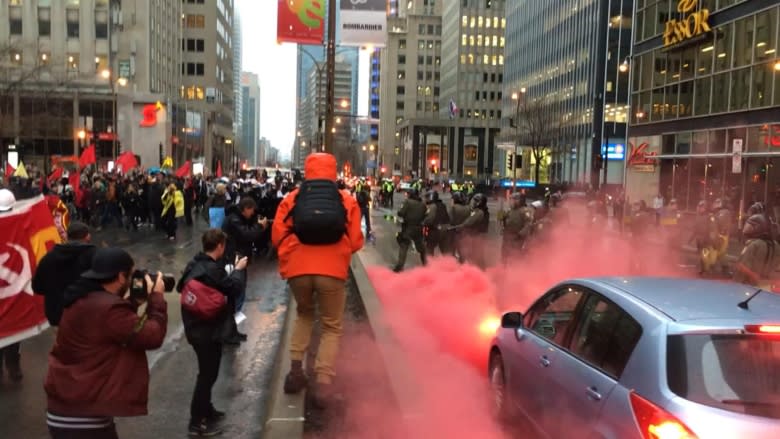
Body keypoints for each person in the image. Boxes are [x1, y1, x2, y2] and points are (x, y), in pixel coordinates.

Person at [45, 248, 168, 439]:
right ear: (120, 276)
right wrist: (157, 299)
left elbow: (118, 327)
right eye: (130, 274)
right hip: (83, 417)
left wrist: (133, 302)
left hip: (66, 408)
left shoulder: (82, 298)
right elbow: (152, 335)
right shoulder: (109, 309)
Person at [271, 153, 363, 407]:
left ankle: (296, 371)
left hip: (298, 270)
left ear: (307, 170)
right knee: (331, 325)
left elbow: (277, 236)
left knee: (304, 314)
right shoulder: (346, 200)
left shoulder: (293, 199)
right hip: (332, 270)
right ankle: (323, 382)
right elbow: (356, 241)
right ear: (333, 172)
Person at [177, 229, 248, 436]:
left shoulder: (195, 264)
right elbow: (234, 288)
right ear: (220, 246)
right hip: (207, 331)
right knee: (207, 375)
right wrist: (238, 269)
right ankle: (196, 422)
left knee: (207, 372)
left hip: (195, 327)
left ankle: (206, 410)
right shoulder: (212, 270)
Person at [33, 221, 96, 326]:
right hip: (88, 313)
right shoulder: (94, 256)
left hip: (58, 314)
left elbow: (37, 287)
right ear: (87, 236)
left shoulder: (47, 259)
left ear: (67, 236)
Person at [0, 188, 22, 381]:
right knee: (15, 327)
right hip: (14, 287)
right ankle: (13, 365)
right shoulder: (20, 226)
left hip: (11, 284)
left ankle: (11, 365)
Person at [733, 212, 780, 288]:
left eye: (750, 227)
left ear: (758, 228)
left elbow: (741, 266)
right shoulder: (776, 246)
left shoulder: (753, 244)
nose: (747, 229)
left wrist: (753, 275)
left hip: (747, 287)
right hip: (768, 287)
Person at [392, 188, 427, 272]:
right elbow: (425, 215)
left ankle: (399, 266)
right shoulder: (422, 204)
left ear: (411, 194)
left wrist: (400, 212)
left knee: (404, 245)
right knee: (421, 248)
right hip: (418, 228)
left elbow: (401, 213)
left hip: (408, 228)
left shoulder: (408, 202)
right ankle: (426, 263)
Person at [501, 193, 534, 261]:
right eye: (512, 199)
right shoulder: (510, 210)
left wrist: (520, 234)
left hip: (517, 238)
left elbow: (528, 224)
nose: (512, 201)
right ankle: (503, 268)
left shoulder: (525, 210)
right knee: (505, 255)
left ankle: (516, 269)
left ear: (520, 200)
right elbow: (503, 219)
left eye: (515, 199)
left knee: (515, 256)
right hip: (508, 237)